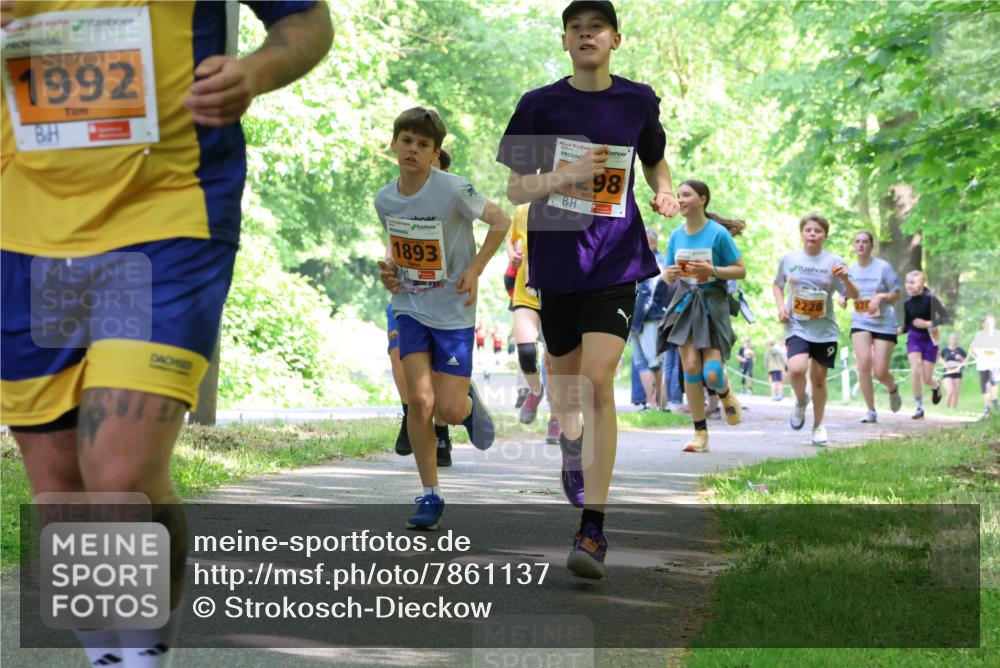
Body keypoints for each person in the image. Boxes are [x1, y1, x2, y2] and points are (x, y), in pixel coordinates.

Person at [0, 2, 332, 666]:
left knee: (121, 470)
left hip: (168, 212)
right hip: (21, 229)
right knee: (60, 485)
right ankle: (110, 659)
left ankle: (145, 660)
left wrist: (256, 72)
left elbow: (307, 21)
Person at [497, 0, 680, 579]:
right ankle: (572, 448)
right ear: (565, 42)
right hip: (557, 259)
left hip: (618, 259)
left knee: (598, 379)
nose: (585, 36)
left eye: (595, 28)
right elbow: (518, 190)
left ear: (615, 40)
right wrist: (565, 177)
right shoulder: (540, 104)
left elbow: (656, 161)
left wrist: (665, 192)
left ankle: (593, 530)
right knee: (567, 389)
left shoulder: (636, 100)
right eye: (575, 29)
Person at [376, 107, 510, 530]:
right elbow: (401, 250)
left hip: (453, 310)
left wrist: (476, 269)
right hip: (411, 307)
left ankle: (467, 407)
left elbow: (501, 220)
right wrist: (391, 273)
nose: (412, 149)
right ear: (394, 144)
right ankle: (430, 493)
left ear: (435, 153)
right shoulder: (385, 198)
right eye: (407, 141)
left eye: (423, 144)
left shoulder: (454, 189)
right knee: (420, 400)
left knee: (447, 409)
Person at [658, 180, 746, 453]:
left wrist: (713, 270)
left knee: (712, 371)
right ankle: (700, 433)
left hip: (712, 302)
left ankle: (725, 392)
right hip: (685, 302)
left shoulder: (718, 234)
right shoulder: (676, 236)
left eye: (686, 195)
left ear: (702, 199)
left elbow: (740, 270)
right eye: (679, 195)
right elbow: (668, 273)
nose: (680, 200)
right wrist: (668, 274)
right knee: (692, 368)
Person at [387, 150, 455, 465]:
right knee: (398, 355)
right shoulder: (398, 198)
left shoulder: (454, 201)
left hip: (445, 300)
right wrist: (388, 269)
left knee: (439, 368)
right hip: (407, 297)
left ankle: (441, 430)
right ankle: (409, 412)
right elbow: (392, 245)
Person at [773, 214, 860, 445]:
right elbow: (777, 284)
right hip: (796, 325)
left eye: (818, 231)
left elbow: (852, 294)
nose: (812, 234)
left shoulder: (834, 261)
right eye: (808, 230)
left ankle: (818, 426)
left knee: (819, 378)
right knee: (796, 370)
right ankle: (801, 401)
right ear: (802, 233)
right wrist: (781, 307)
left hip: (824, 329)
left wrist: (846, 280)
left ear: (825, 235)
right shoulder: (789, 258)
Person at [506, 204, 561, 439]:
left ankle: (556, 418)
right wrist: (512, 255)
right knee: (526, 351)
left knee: (554, 362)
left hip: (559, 297)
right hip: (526, 295)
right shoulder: (523, 211)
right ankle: (536, 391)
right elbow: (511, 239)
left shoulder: (571, 211)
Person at [844, 230, 903, 423]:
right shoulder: (851, 269)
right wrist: (842, 298)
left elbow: (897, 294)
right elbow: (846, 290)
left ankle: (892, 388)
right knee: (863, 364)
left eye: (864, 242)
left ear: (871, 246)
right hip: (860, 321)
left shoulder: (883, 268)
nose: (860, 245)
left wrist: (881, 296)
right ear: (854, 246)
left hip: (884, 323)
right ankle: (871, 410)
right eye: (857, 242)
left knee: (880, 371)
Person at [899, 270, 949, 419]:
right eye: (908, 282)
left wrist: (927, 323)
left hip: (931, 339)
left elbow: (945, 318)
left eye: (913, 282)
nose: (909, 285)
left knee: (927, 378)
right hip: (914, 338)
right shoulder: (907, 303)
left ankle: (936, 385)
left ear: (922, 283)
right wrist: (898, 330)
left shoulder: (931, 299)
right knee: (916, 370)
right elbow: (908, 325)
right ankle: (919, 407)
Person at [970, 316, 1000, 418]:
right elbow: (973, 349)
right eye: (987, 322)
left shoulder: (997, 334)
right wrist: (981, 353)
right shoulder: (979, 335)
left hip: (995, 363)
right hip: (982, 364)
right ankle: (986, 406)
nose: (989, 324)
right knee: (984, 386)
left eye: (991, 322)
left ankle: (994, 399)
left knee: (993, 381)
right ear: (983, 324)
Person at [940, 332, 967, 410]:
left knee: (956, 392)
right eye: (952, 338)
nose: (953, 340)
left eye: (955, 338)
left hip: (957, 373)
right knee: (950, 391)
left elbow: (966, 362)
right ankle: (946, 408)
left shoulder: (961, 350)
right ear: (949, 340)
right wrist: (945, 364)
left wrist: (961, 358)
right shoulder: (945, 350)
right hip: (947, 373)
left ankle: (953, 410)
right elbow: (940, 358)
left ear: (957, 340)